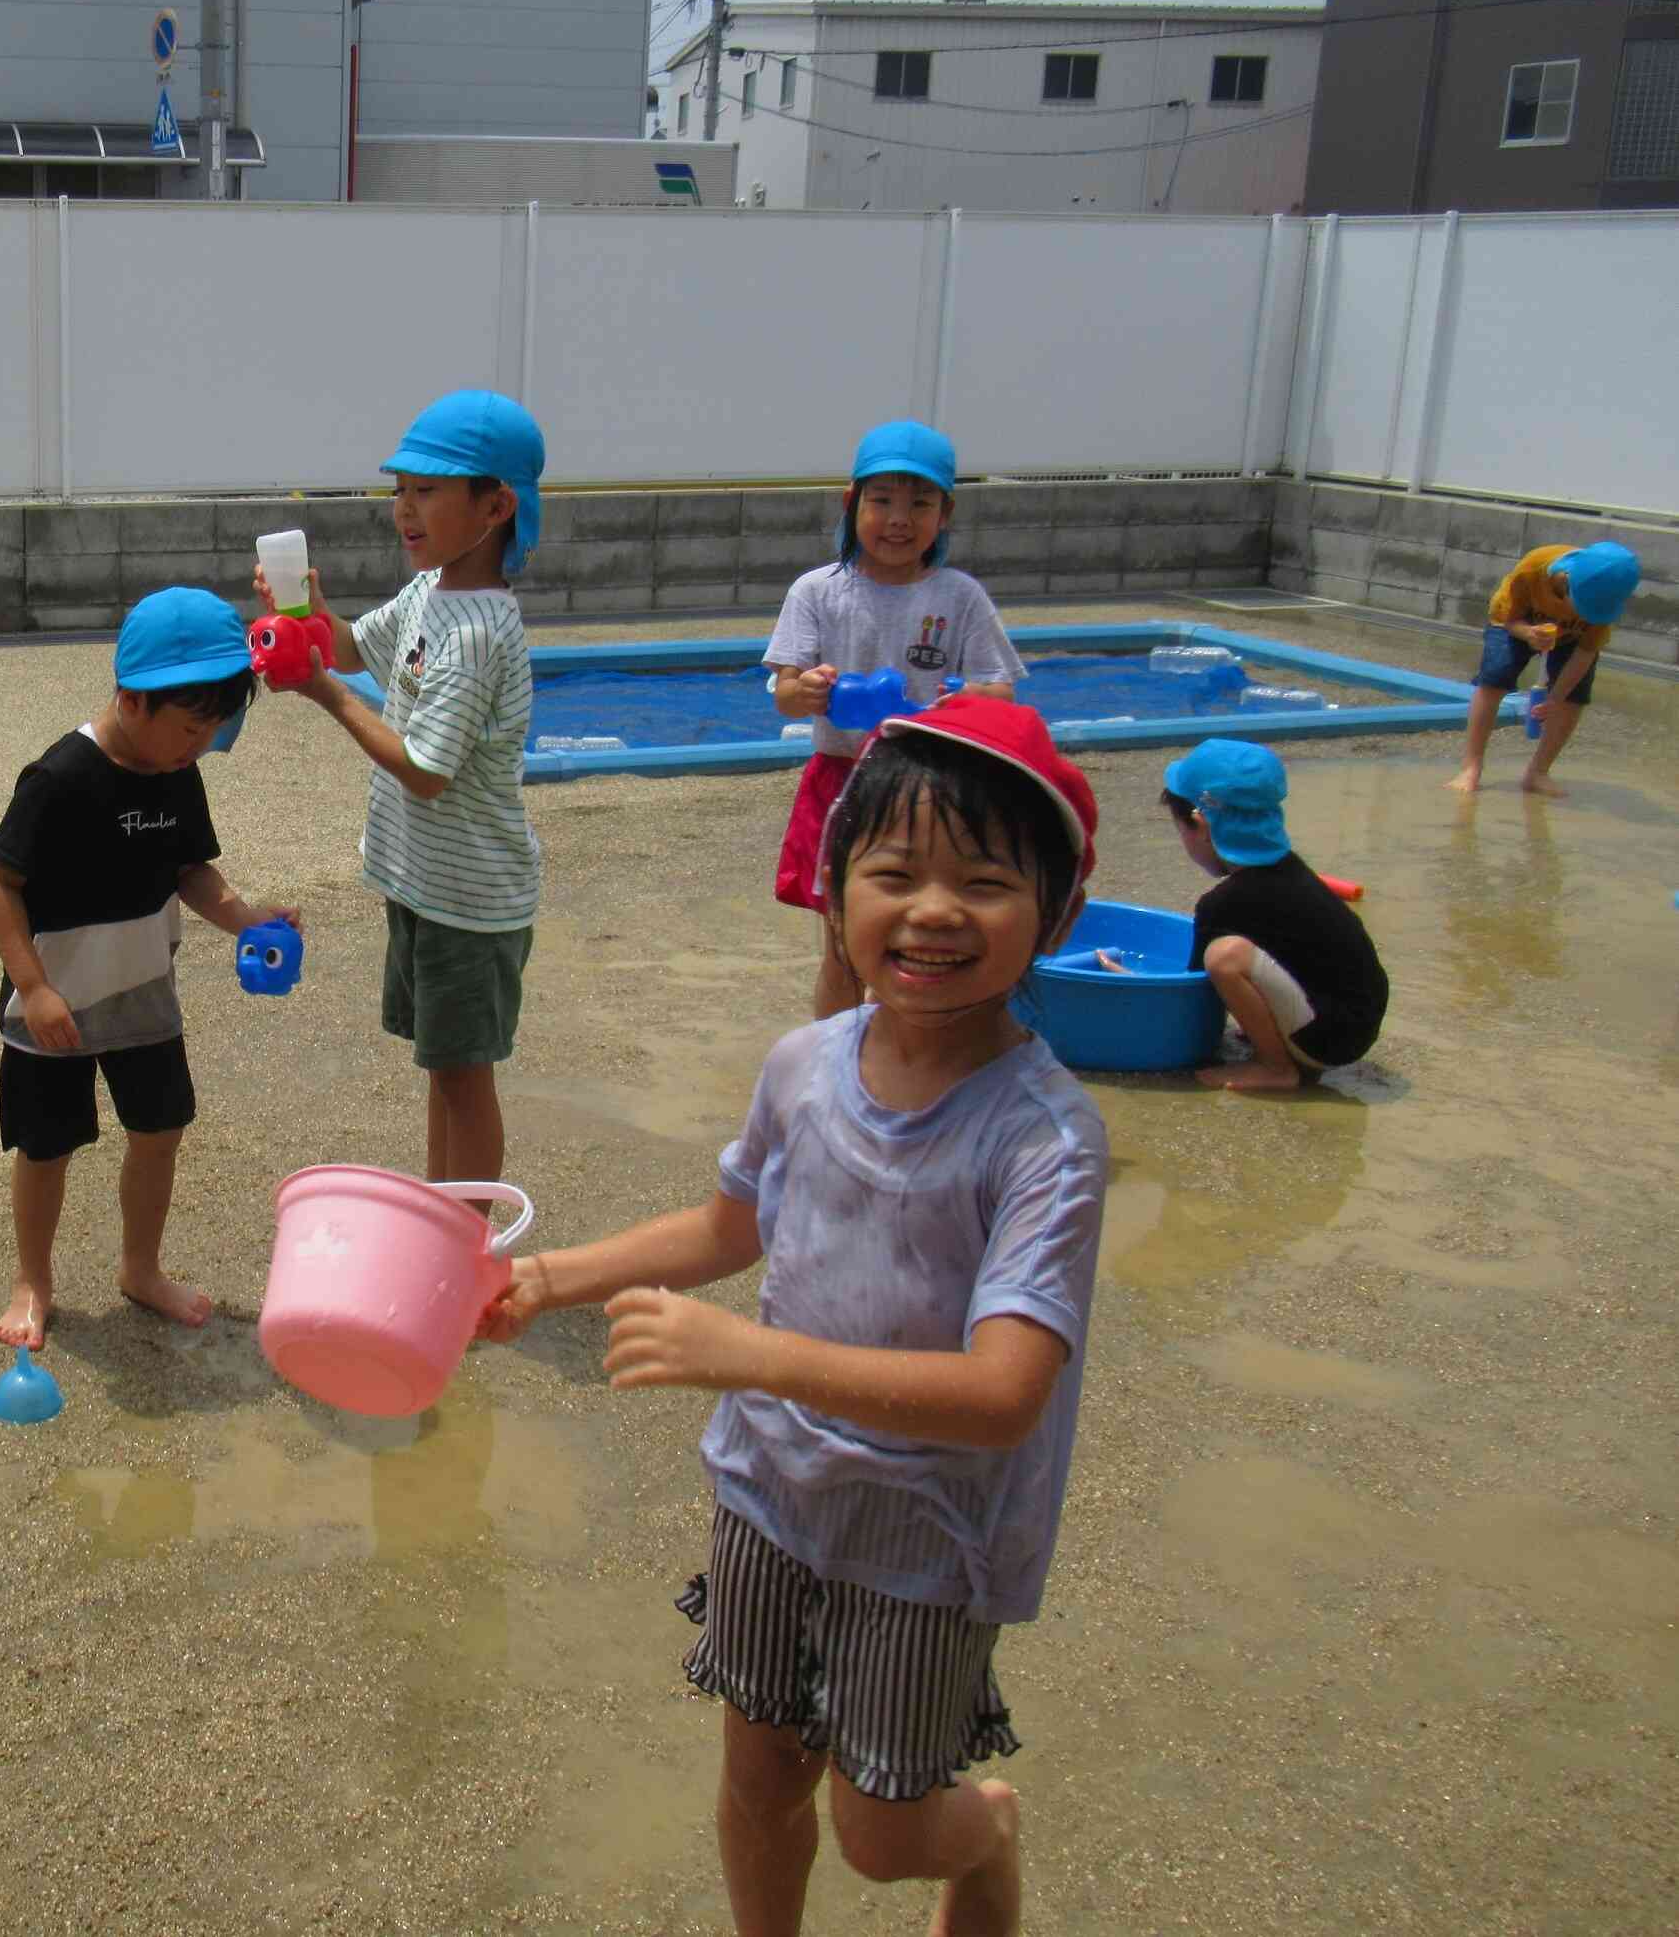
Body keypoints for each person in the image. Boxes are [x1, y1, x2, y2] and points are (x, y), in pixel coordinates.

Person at [476, 696, 1106, 1937]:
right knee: (759, 1781)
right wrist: (554, 1276)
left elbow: (1002, 1395)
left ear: (1059, 916)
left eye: (984, 882)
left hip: (928, 1539)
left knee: (879, 1836)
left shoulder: (1045, 1139)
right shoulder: (805, 1065)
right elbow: (734, 1223)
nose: (933, 910)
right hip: (772, 1494)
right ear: (833, 891)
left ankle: (989, 1832)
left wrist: (745, 1353)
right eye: (894, 873)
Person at [0, 587, 293, 1349]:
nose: (200, 745)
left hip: (145, 995)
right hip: (55, 1006)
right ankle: (33, 1279)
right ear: (132, 698)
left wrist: (249, 919)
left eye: (214, 730)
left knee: (160, 1130)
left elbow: (192, 870)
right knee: (45, 1147)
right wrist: (34, 987)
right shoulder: (59, 777)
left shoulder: (177, 770)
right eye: (190, 727)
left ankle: (140, 1267)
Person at [263, 389, 543, 1185]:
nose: (404, 510)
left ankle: (465, 1246)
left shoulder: (481, 629)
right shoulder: (432, 592)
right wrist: (310, 615)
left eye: (427, 491)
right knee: (443, 1070)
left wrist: (328, 696)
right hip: (427, 884)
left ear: (495, 505)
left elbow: (425, 770)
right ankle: (439, 1217)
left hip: (471, 900)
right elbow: (354, 647)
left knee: (465, 1077)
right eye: (400, 490)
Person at [767, 419, 1026, 1018]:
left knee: (916, 942)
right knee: (842, 947)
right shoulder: (817, 591)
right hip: (842, 782)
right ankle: (836, 1065)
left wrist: (962, 698)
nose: (899, 519)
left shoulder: (959, 597)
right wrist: (804, 689)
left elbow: (1003, 693)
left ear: (946, 513)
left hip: (933, 786)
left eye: (921, 503)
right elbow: (782, 691)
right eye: (881, 500)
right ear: (851, 502)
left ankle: (906, 1051)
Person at [1147, 739, 1388, 1092]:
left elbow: (1193, 996)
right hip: (1356, 1021)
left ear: (1200, 824)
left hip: (1330, 1039)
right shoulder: (1292, 874)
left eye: (1181, 830)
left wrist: (1132, 984)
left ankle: (1276, 1068)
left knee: (1224, 957)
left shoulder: (1223, 903)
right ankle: (1282, 1043)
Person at [1449, 539, 1643, 796]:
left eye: (1596, 612)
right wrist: (1528, 634)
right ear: (1569, 582)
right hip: (1519, 621)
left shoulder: (1603, 610)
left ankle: (1538, 772)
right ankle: (1471, 767)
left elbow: (1585, 653)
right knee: (1494, 678)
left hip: (1571, 638)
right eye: (1586, 607)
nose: (1589, 615)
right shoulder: (1533, 570)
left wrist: (1555, 698)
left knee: (1575, 697)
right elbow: (1508, 619)